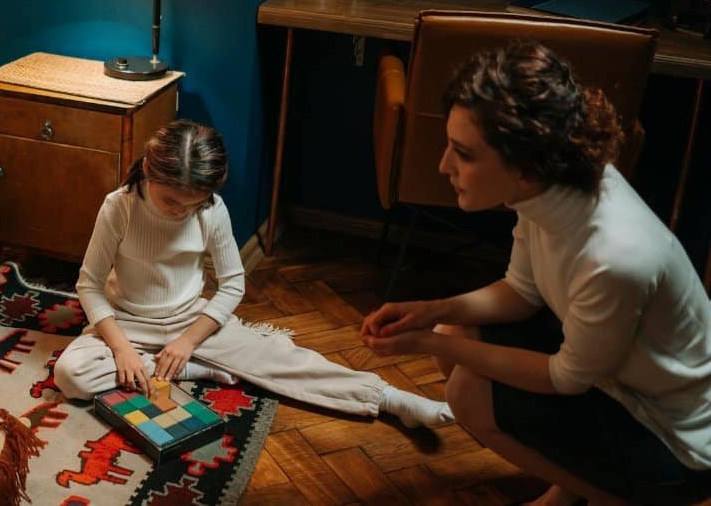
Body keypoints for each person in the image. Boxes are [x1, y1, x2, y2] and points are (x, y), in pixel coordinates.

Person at [360, 41, 711, 505]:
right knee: (456, 327)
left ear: (525, 163)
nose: (444, 166)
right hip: (619, 382)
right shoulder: (553, 185)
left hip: (675, 445)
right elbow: (522, 293)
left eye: (463, 154)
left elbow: (566, 378)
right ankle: (572, 485)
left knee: (466, 388)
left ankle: (619, 496)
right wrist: (431, 312)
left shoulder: (616, 256)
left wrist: (428, 342)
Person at [54, 120, 453, 429]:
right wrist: (121, 348)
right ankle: (201, 368)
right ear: (147, 171)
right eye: (171, 201)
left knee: (283, 359)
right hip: (127, 322)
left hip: (191, 320)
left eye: (190, 206)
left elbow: (232, 284)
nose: (180, 211)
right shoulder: (119, 206)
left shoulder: (212, 210)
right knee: (72, 374)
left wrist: (189, 341)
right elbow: (89, 284)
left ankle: (386, 397)